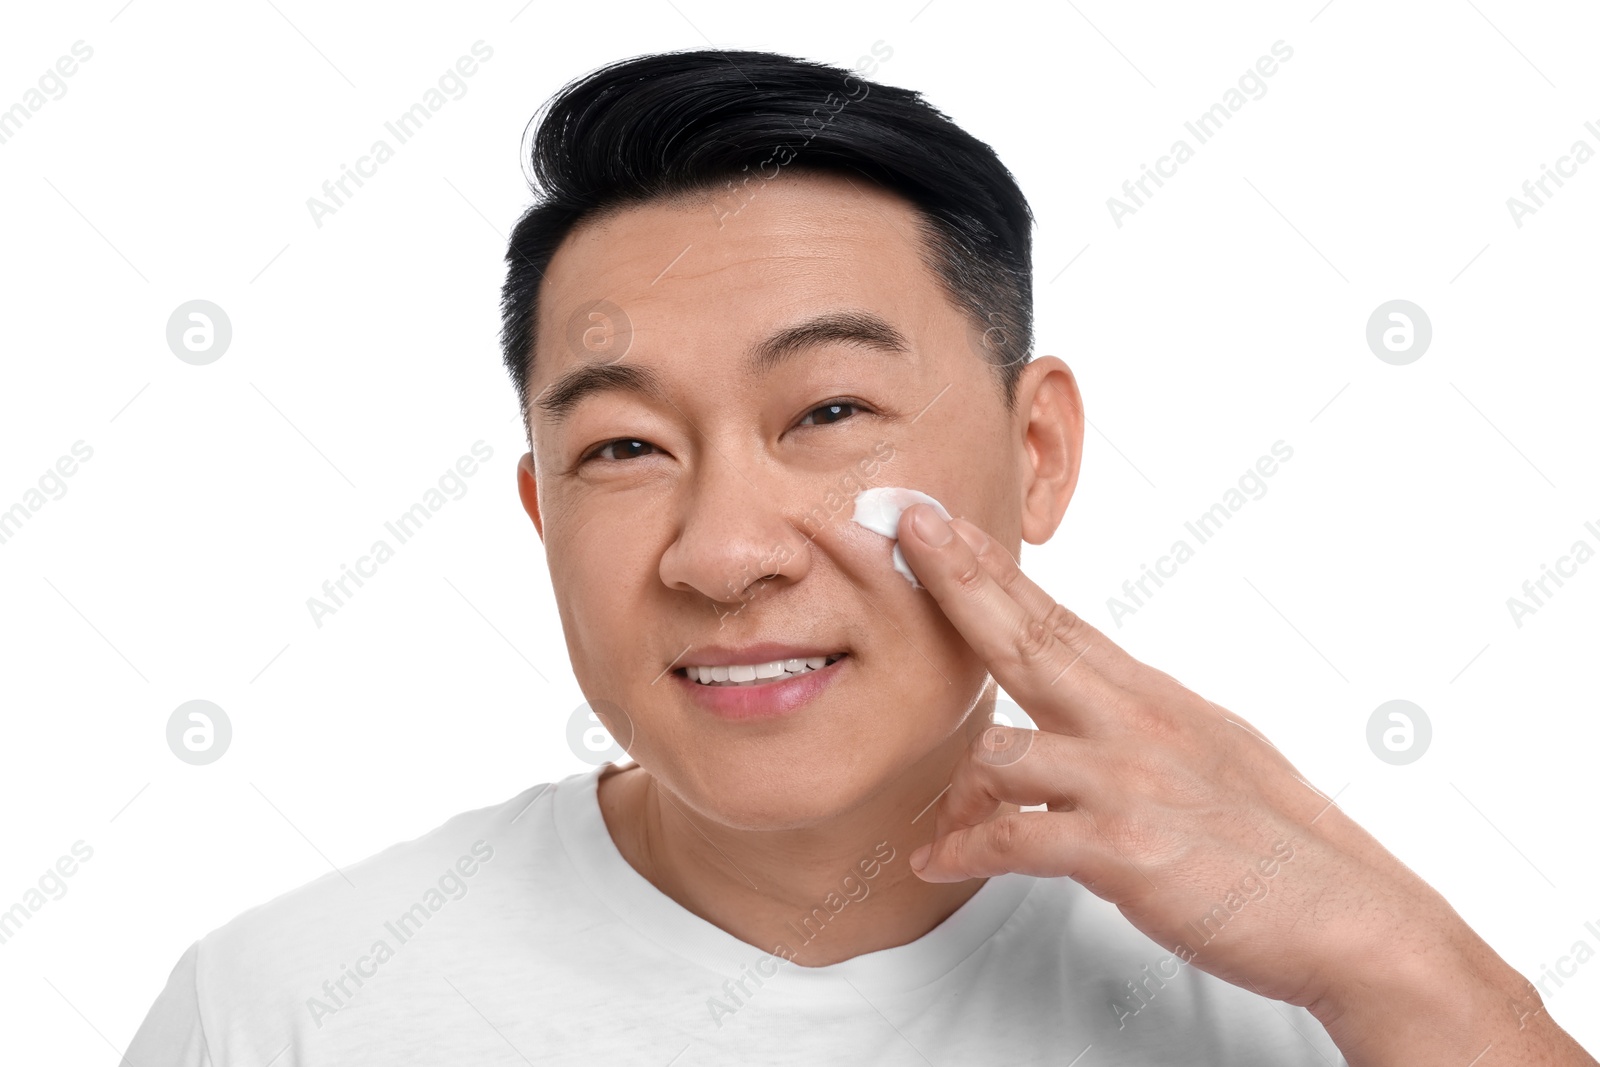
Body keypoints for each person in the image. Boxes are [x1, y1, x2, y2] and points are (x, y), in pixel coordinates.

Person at [124, 49, 1595, 1065]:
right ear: (540, 511)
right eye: (625, 448)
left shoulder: (1306, 995)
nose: (724, 550)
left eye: (827, 412)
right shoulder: (290, 1010)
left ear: (1038, 452)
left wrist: (1408, 967)